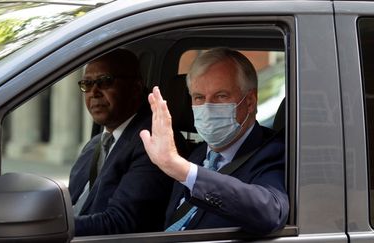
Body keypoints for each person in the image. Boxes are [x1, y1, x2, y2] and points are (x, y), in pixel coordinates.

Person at [140, 48, 289, 234]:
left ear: (250, 101)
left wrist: (183, 170)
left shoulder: (275, 152)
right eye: (199, 98)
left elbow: (271, 212)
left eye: (221, 96)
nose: (207, 107)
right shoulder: (197, 154)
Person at [69, 49, 184, 236]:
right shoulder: (94, 145)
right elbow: (70, 203)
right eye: (87, 84)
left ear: (136, 88)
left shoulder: (153, 143)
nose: (94, 92)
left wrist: (50, 229)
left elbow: (121, 222)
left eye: (105, 81)